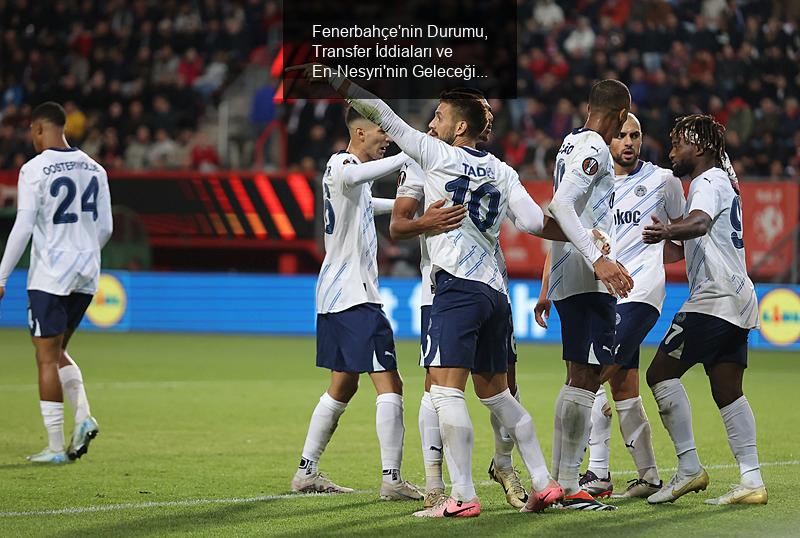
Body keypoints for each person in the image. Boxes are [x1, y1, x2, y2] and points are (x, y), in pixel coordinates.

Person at [288, 63, 594, 517]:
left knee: (446, 393)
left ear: (460, 126)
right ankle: (544, 481)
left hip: (455, 290)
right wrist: (585, 237)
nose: (433, 121)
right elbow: (533, 223)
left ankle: (462, 497)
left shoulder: (436, 155)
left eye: (440, 115)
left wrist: (337, 79)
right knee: (499, 395)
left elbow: (383, 113)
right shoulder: (503, 171)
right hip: (496, 293)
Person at [390, 93, 534, 510]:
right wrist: (425, 222)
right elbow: (399, 225)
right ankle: (437, 484)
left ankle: (504, 465)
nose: (487, 122)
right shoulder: (420, 158)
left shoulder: (489, 169)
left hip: (491, 284)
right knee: (438, 385)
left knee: (505, 381)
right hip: (441, 285)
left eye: (489, 116)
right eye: (482, 114)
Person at [537, 113, 685, 499]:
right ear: (609, 139)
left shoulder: (662, 181)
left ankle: (593, 472)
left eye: (635, 135)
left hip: (639, 291)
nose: (628, 142)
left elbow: (682, 240)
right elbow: (567, 230)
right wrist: (546, 286)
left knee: (594, 372)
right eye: (621, 135)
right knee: (623, 384)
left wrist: (645, 257)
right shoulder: (593, 178)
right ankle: (649, 476)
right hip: (601, 288)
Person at [290, 106, 422, 502]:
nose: (388, 138)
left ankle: (306, 471)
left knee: (342, 385)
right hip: (354, 295)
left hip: (336, 296)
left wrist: (408, 203)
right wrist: (413, 152)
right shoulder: (342, 162)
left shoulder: (354, 182)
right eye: (383, 132)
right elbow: (354, 174)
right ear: (360, 133)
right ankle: (392, 478)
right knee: (391, 383)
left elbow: (369, 203)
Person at [643, 114, 767, 506]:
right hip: (738, 298)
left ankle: (689, 467)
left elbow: (697, 224)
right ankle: (752, 480)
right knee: (728, 390)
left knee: (660, 373)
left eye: (678, 142)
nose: (672, 149)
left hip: (713, 300)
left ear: (698, 146)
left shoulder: (706, 182)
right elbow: (687, 245)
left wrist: (667, 228)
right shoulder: (724, 181)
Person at [0, 101, 112, 464]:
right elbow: (107, 228)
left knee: (45, 356)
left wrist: (1, 274)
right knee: (58, 350)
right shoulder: (96, 168)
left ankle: (53, 446)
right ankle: (84, 419)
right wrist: (83, 251)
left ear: (37, 130)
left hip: (51, 274)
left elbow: (23, 227)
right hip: (87, 272)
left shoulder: (34, 169)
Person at [546, 79, 633, 511]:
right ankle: (566, 484)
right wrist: (598, 260)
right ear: (620, 117)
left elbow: (567, 209)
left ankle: (561, 483)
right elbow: (560, 206)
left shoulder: (568, 143)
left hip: (569, 271)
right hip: (585, 274)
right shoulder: (597, 148)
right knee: (585, 377)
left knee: (578, 377)